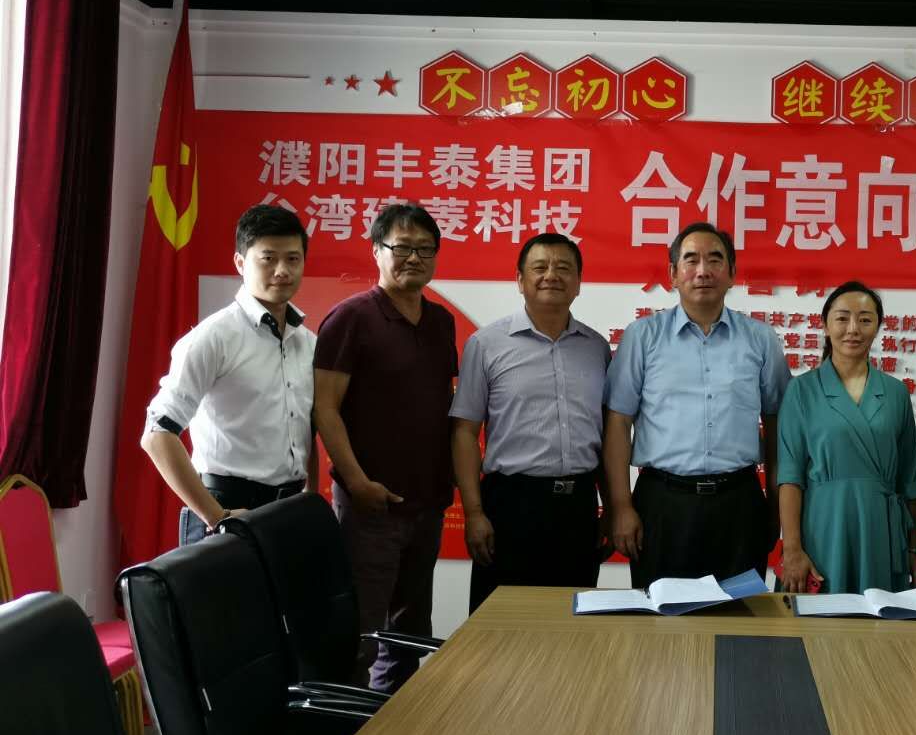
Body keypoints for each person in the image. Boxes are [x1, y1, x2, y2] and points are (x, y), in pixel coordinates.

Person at [313, 203, 457, 693]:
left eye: (425, 249)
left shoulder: (440, 322)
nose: (414, 258)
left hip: (427, 504)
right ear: (377, 251)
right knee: (361, 635)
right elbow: (325, 408)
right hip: (370, 507)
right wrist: (357, 483)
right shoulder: (351, 318)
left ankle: (394, 721)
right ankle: (349, 731)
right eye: (402, 247)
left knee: (410, 631)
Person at [602, 222, 790, 588]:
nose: (703, 271)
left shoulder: (760, 339)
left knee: (739, 614)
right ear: (673, 274)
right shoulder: (643, 336)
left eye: (715, 260)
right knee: (661, 615)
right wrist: (621, 506)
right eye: (691, 260)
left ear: (732, 274)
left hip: (739, 503)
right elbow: (618, 422)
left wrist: (774, 505)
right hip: (662, 504)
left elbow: (776, 425)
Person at [450, 232, 610, 611]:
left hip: (578, 506)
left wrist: (612, 507)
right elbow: (464, 433)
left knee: (573, 622)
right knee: (501, 624)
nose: (551, 275)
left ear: (578, 283)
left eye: (563, 268)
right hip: (510, 505)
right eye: (540, 267)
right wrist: (474, 512)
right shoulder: (486, 344)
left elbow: (607, 436)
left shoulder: (597, 347)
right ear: (520, 280)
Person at [142, 203, 316, 546]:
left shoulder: (308, 343)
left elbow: (308, 428)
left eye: (293, 259)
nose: (282, 270)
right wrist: (217, 516)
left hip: (289, 513)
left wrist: (307, 498)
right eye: (268, 258)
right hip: (226, 510)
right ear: (240, 262)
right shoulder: (213, 338)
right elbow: (157, 434)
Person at [775, 280, 916, 595]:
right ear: (825, 326)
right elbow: (789, 477)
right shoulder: (802, 390)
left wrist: (913, 549)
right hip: (823, 528)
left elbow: (909, 480)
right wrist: (792, 549)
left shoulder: (895, 392)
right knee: (820, 620)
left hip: (881, 531)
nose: (853, 329)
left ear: (878, 327)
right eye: (842, 318)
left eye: (865, 319)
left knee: (879, 619)